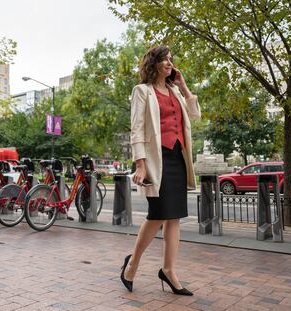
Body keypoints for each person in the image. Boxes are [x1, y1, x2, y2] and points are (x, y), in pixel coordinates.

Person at [120, 45, 201, 295]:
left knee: (174, 216)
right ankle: (132, 264)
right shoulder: (142, 91)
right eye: (165, 59)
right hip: (157, 159)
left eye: (171, 60)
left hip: (177, 158)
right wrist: (140, 165)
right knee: (156, 215)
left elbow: (195, 115)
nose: (169, 63)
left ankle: (169, 270)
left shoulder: (176, 92)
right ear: (154, 63)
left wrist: (184, 87)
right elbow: (137, 129)